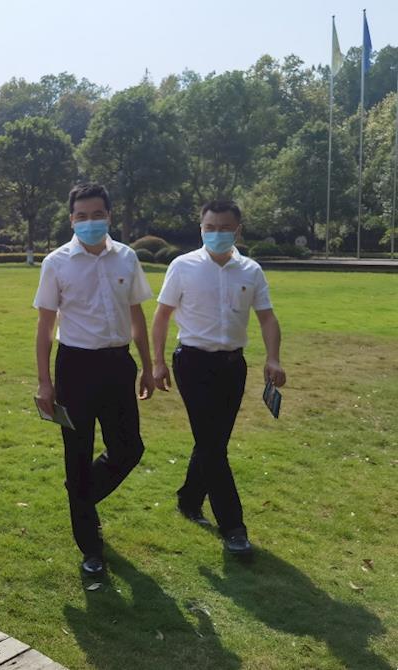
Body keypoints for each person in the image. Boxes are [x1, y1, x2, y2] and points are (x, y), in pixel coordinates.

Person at [151, 200, 286, 557]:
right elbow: (161, 316)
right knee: (212, 445)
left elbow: (267, 318)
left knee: (213, 441)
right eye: (210, 227)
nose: (216, 233)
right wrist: (157, 363)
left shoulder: (251, 271)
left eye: (224, 228)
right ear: (201, 228)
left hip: (232, 366)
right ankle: (233, 527)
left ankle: (189, 499)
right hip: (193, 363)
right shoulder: (183, 266)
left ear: (238, 230)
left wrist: (273, 357)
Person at [34, 182, 154, 577]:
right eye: (82, 216)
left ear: (109, 216)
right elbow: (45, 327)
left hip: (118, 365)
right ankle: (90, 548)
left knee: (129, 448)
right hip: (75, 368)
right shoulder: (57, 263)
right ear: (71, 219)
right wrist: (44, 383)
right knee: (77, 453)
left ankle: (80, 494)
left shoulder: (127, 258)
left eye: (97, 215)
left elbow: (137, 316)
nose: (90, 222)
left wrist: (148, 365)